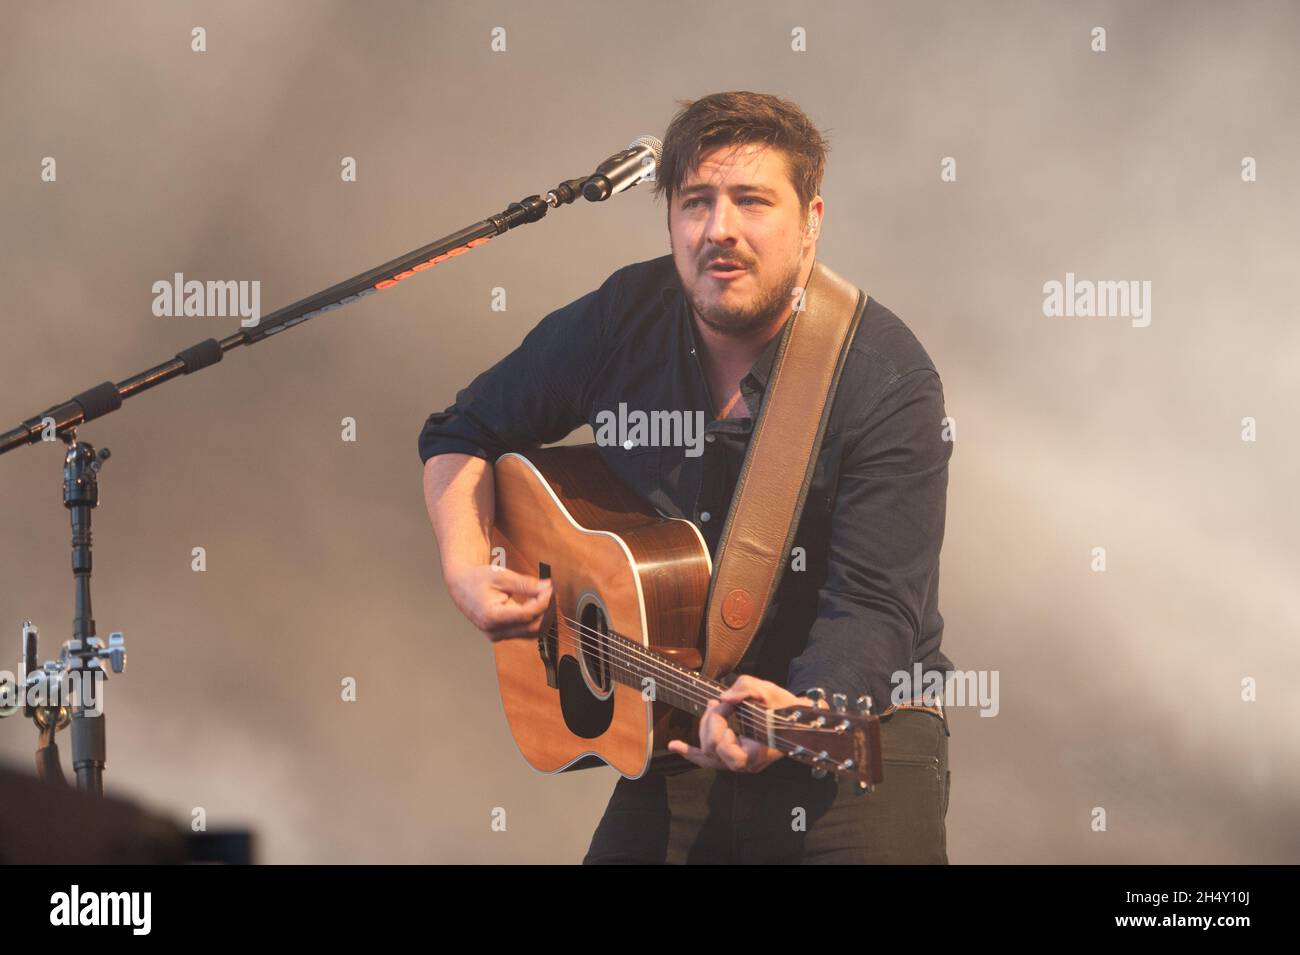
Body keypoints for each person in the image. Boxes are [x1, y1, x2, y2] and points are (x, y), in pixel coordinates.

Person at [420, 91, 954, 864]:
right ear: (669, 217)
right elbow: (462, 430)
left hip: (848, 738)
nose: (719, 229)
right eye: (695, 201)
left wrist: (800, 707)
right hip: (677, 724)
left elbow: (874, 606)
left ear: (811, 221)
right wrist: (467, 565)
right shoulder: (624, 316)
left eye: (752, 201)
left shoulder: (885, 380)